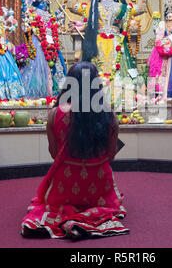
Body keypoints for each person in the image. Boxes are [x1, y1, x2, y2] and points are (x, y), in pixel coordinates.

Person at [21, 61, 129, 239]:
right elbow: (110, 156)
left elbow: (54, 154)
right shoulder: (108, 114)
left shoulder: (55, 114)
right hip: (100, 189)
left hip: (65, 190)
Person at [64, 0, 150, 91]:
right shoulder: (91, 8)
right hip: (96, 45)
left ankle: (118, 101)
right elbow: (73, 6)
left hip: (117, 45)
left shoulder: (122, 8)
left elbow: (140, 8)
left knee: (119, 77)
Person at [20, 0, 67, 98]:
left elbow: (56, 25)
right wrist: (25, 10)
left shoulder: (50, 14)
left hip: (51, 43)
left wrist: (60, 15)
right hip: (39, 41)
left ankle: (56, 93)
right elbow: (26, 24)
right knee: (36, 66)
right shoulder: (33, 10)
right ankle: (38, 93)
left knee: (56, 66)